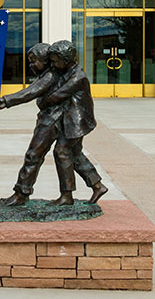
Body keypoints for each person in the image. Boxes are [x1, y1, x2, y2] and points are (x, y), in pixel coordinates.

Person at [39, 39, 107, 206]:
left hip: (77, 122)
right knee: (75, 154)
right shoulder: (67, 71)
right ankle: (97, 185)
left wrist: (42, 100)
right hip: (70, 121)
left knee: (61, 151)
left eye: (55, 61)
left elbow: (57, 96)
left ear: (66, 60)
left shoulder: (78, 76)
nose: (52, 65)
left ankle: (66, 196)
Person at [0, 42, 61, 205]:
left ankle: (21, 194)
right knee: (74, 156)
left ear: (45, 61)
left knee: (34, 155)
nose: (31, 65)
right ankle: (96, 184)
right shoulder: (47, 74)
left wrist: (5, 100)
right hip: (50, 117)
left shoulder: (50, 76)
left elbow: (29, 93)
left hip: (52, 119)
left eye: (34, 61)